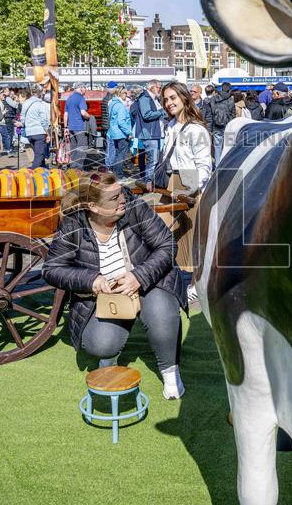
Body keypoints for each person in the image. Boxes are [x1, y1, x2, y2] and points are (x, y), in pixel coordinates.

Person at [42, 171, 188, 399]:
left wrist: (139, 276)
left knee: (162, 316)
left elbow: (167, 246)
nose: (123, 200)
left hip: (149, 283)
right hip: (107, 296)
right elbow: (52, 269)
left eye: (121, 193)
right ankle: (113, 348)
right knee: (101, 344)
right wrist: (91, 280)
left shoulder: (134, 208)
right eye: (114, 198)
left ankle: (170, 371)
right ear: (94, 207)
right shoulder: (72, 224)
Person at [160, 82, 212, 299]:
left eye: (173, 98)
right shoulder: (170, 125)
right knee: (163, 233)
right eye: (165, 99)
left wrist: (188, 190)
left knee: (190, 236)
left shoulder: (196, 129)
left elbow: (205, 167)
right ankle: (170, 279)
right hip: (171, 180)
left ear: (184, 98)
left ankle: (195, 286)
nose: (169, 103)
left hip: (188, 179)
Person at [130, 80, 166, 185]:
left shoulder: (153, 98)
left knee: (156, 159)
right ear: (152, 87)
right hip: (149, 134)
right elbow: (147, 114)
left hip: (155, 133)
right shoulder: (145, 98)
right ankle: (149, 182)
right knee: (152, 160)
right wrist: (162, 111)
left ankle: (153, 181)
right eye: (159, 87)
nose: (160, 89)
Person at [17, 86, 51, 169]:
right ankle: (32, 173)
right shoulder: (40, 104)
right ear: (40, 94)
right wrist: (47, 133)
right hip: (39, 132)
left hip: (29, 133)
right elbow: (44, 121)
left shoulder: (25, 104)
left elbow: (22, 118)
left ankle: (43, 170)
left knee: (39, 154)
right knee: (39, 156)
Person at [105, 86, 132, 177]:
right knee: (120, 155)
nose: (126, 95)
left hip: (113, 132)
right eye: (125, 93)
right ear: (121, 93)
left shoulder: (112, 103)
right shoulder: (120, 106)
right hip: (120, 133)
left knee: (115, 154)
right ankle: (119, 174)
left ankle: (114, 173)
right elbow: (121, 122)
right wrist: (129, 132)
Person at [206, 81, 237, 160]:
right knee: (227, 147)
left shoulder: (214, 98)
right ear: (229, 89)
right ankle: (225, 165)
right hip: (227, 125)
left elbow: (212, 112)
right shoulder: (231, 99)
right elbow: (233, 114)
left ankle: (217, 166)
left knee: (217, 147)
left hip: (216, 125)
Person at [64, 85, 91, 170]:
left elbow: (65, 114)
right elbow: (83, 113)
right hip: (79, 126)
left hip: (71, 127)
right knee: (82, 147)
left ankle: (72, 167)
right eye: (85, 89)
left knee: (74, 147)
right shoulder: (81, 98)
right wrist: (89, 116)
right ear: (81, 88)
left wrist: (65, 127)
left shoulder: (69, 99)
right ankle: (78, 168)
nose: (85, 91)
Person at [0, 88, 18, 154]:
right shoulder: (7, 98)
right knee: (10, 133)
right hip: (9, 116)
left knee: (9, 133)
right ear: (4, 92)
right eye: (7, 91)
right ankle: (10, 148)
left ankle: (8, 147)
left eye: (8, 91)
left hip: (8, 116)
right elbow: (14, 105)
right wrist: (16, 101)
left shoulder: (5, 98)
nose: (8, 92)